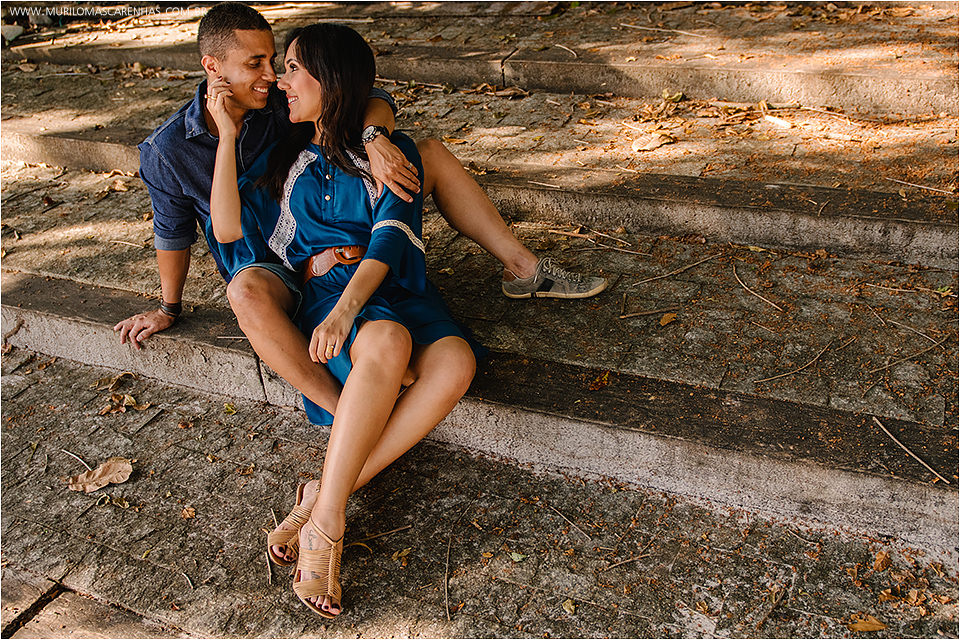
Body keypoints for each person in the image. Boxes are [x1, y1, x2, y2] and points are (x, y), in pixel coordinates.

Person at [208, 22, 478, 618]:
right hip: (329, 291)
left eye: (295, 68)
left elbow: (388, 238)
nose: (281, 79)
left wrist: (376, 134)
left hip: (395, 282)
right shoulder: (290, 158)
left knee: (457, 360)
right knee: (386, 341)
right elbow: (239, 237)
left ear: (330, 79)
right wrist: (227, 135)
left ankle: (319, 496)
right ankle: (327, 529)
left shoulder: (389, 151)